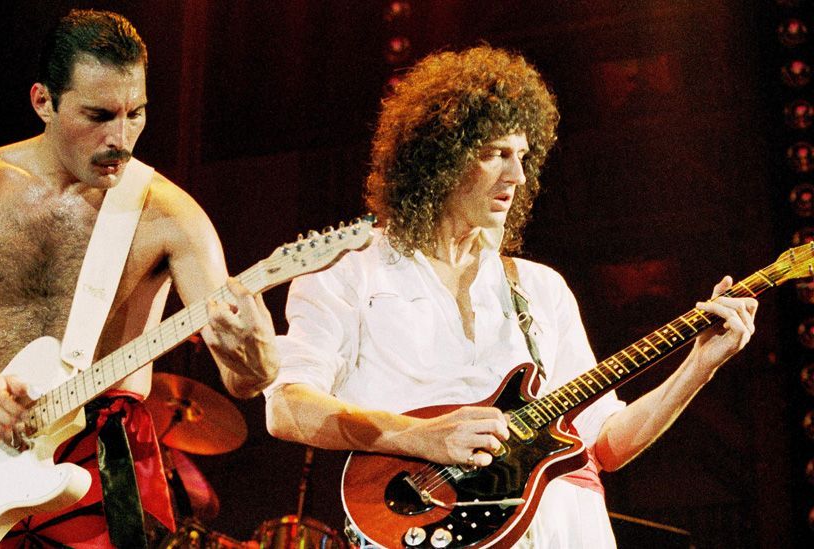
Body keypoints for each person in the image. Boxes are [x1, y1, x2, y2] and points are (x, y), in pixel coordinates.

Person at [264, 45, 757, 547]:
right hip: (425, 526)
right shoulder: (349, 271)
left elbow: (606, 444)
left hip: (571, 532)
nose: (517, 177)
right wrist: (416, 436)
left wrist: (700, 365)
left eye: (522, 156)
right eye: (495, 154)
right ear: (436, 158)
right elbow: (287, 408)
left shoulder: (540, 287)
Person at [0, 9, 279, 548]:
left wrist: (256, 352)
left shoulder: (174, 217)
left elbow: (244, 381)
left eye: (136, 114)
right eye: (99, 115)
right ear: (43, 101)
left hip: (103, 461)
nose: (121, 138)